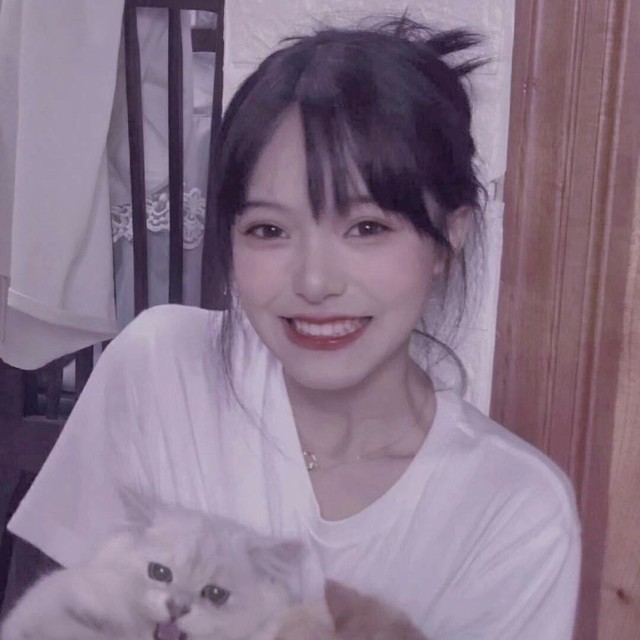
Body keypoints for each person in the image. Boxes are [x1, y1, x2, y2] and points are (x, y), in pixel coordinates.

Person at [6, 17, 581, 639]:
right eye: (269, 230)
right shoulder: (160, 370)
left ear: (449, 237)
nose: (313, 281)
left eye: (366, 227)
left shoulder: (514, 513)